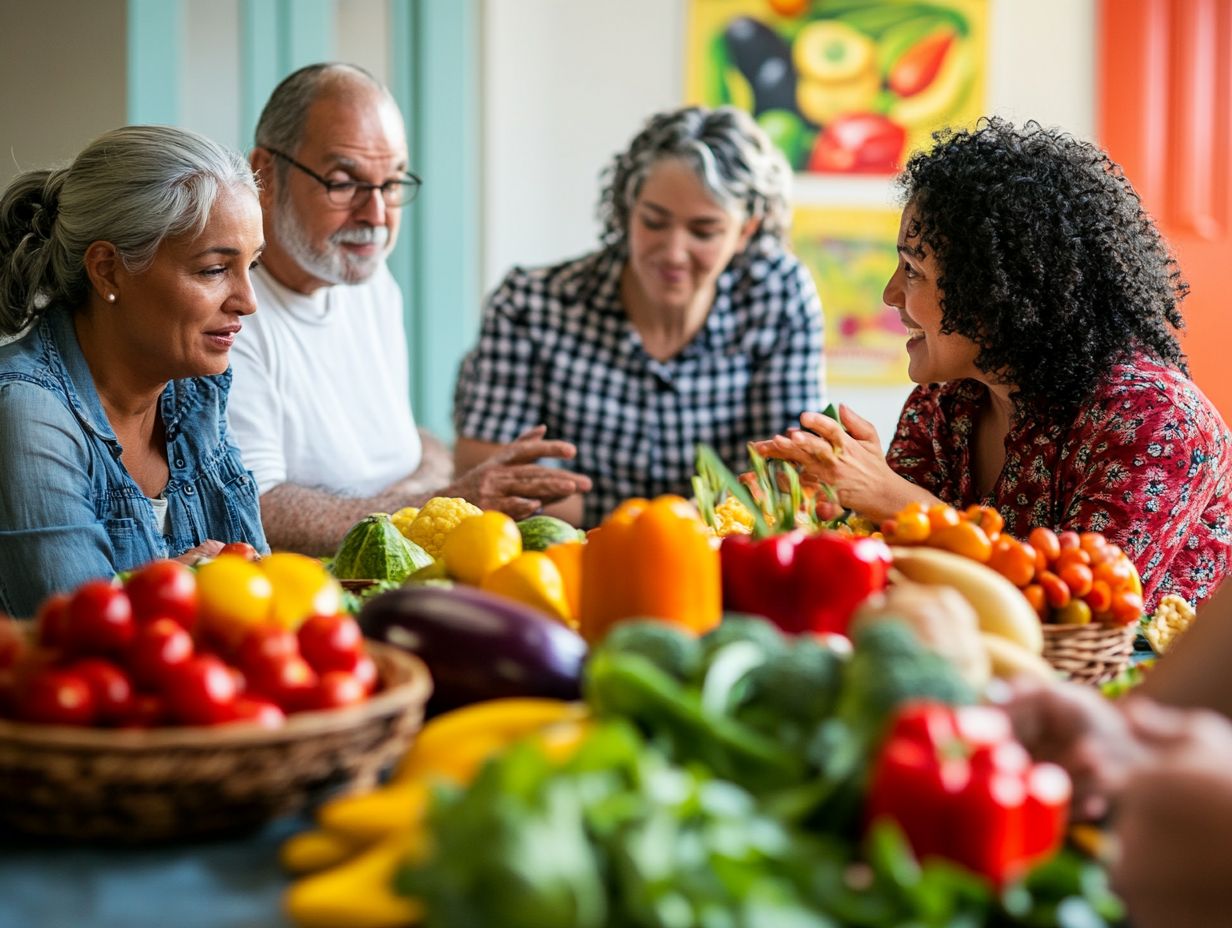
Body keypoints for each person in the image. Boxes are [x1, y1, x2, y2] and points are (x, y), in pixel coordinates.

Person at [753, 117, 1230, 612]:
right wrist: (847, 504)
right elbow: (906, 583)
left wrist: (892, 497)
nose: (889, 293)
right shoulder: (943, 402)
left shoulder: (1157, 419)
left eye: (913, 270)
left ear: (998, 293)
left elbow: (1082, 610)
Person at [229, 63, 589, 556]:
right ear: (265, 175)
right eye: (343, 182)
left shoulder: (371, 282)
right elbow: (258, 509)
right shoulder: (230, 312)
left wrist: (430, 486)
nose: (376, 215)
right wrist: (438, 500)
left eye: (392, 184)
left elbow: (408, 443)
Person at [453, 105, 826, 528]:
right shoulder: (530, 304)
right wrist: (642, 527)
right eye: (654, 221)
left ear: (746, 231)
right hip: (567, 557)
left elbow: (789, 471)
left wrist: (666, 525)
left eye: (704, 231)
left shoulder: (777, 295)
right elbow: (485, 477)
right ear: (628, 210)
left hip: (723, 557)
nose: (673, 252)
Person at [0, 125, 268, 618]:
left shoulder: (195, 390)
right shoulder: (27, 413)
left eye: (252, 265)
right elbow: (85, 644)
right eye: (213, 270)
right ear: (107, 270)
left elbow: (265, 599)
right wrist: (191, 586)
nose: (248, 302)